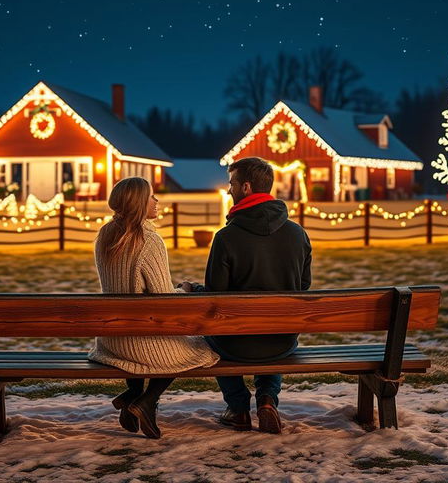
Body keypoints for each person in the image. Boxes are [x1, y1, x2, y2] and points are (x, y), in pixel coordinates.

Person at [180, 156, 311, 434]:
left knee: (212, 338)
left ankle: (238, 408)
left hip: (234, 344)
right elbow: (304, 285)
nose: (229, 190)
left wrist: (193, 289)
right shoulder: (298, 234)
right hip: (282, 341)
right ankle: (266, 399)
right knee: (273, 325)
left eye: (232, 183)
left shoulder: (226, 237)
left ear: (247, 187)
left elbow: (216, 296)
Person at [88, 177, 219, 439]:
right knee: (200, 350)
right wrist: (185, 289)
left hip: (111, 339)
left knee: (144, 335)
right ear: (138, 203)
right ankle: (146, 401)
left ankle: (134, 393)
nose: (156, 200)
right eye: (151, 196)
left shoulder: (105, 234)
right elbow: (163, 300)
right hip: (140, 339)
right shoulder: (149, 241)